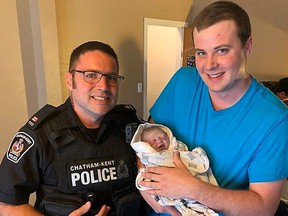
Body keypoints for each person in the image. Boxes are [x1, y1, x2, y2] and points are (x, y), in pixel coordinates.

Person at [138, 1, 288, 216]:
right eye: (201, 53)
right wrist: (145, 179)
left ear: (247, 47)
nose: (209, 65)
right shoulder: (182, 81)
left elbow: (264, 207)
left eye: (222, 50)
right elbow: (146, 139)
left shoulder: (275, 120)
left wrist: (194, 189)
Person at [0, 41, 147, 216]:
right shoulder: (40, 134)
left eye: (112, 77)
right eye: (91, 75)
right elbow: (6, 204)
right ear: (70, 81)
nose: (104, 86)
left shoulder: (132, 126)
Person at [131, 123, 218, 216]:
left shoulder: (177, 148)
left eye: (163, 136)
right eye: (153, 141)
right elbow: (144, 177)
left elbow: (187, 155)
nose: (160, 140)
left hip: (195, 184)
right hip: (171, 196)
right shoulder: (149, 159)